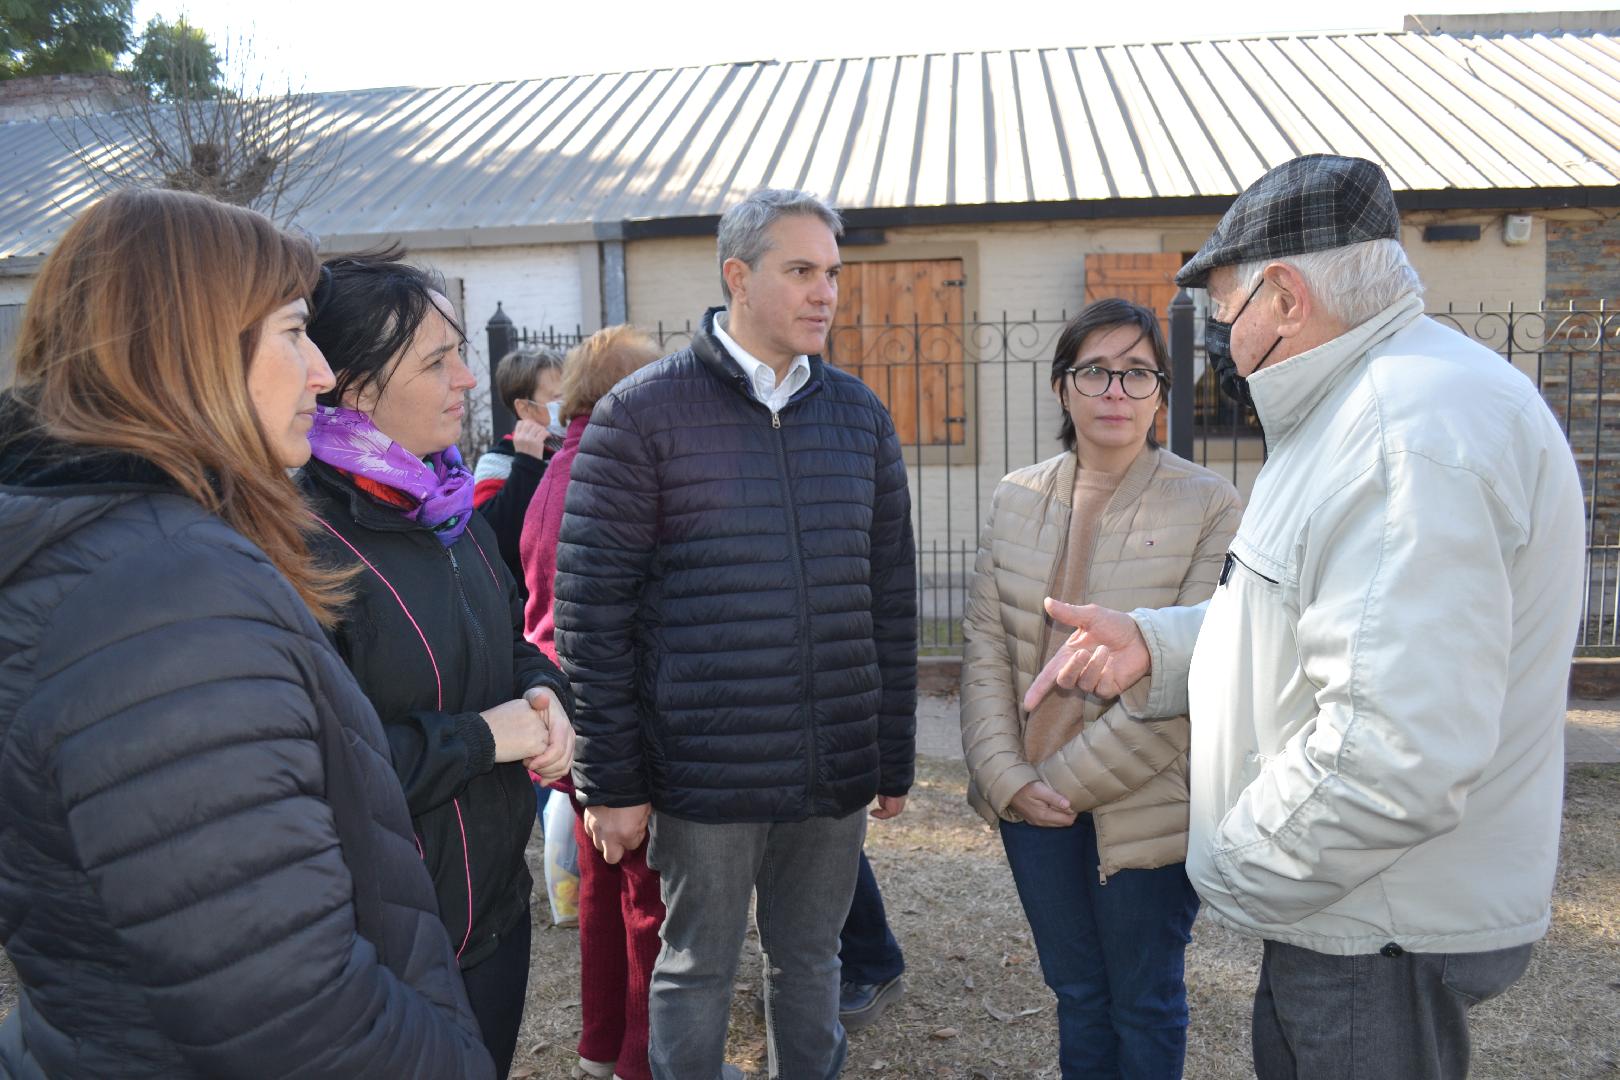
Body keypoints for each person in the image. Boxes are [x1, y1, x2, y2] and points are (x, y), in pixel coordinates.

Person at [1024, 155, 1586, 1080]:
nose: (1221, 345)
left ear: (1285, 297)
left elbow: (1396, 749)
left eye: (1225, 314)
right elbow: (1317, 620)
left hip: (1375, 924)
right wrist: (1159, 647)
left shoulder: (1403, 432)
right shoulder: (1367, 409)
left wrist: (1236, 861)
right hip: (1355, 907)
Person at [0, 189, 493, 1077]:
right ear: (191, 346)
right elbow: (292, 1011)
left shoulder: (123, 553)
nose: (319, 373)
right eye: (294, 333)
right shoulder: (158, 595)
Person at [554, 188, 918, 1080]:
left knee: (812, 963)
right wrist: (612, 781)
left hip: (829, 769)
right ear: (737, 276)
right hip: (703, 774)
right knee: (695, 971)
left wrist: (890, 754)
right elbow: (592, 613)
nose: (825, 292)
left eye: (832, 273)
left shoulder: (860, 417)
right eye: (801, 271)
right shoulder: (641, 416)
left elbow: (891, 600)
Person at [299, 249, 577, 1080]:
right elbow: (319, 774)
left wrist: (542, 689)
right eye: (436, 360)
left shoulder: (445, 504)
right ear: (353, 389)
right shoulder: (303, 546)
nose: (468, 379)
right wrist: (480, 741)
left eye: (460, 351)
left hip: (493, 917)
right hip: (385, 950)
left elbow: (509, 640)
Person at [960, 298, 1242, 1078]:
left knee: (1144, 1001)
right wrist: (1007, 777)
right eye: (1095, 371)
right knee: (1078, 994)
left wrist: (1057, 783)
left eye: (1136, 373)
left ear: (1162, 392)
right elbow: (985, 649)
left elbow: (1200, 670)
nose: (1115, 391)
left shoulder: (1210, 505)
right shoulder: (1017, 496)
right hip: (1029, 807)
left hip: (1148, 807)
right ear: (1062, 388)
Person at [520, 324, 664, 1080]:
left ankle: (602, 1044)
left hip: (571, 714)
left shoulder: (559, 465)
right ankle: (642, 1058)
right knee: (647, 899)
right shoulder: (612, 470)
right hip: (613, 715)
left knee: (605, 888)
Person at [476, 345, 566, 589]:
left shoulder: (577, 447)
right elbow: (492, 541)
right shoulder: (498, 461)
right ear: (525, 408)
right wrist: (527, 464)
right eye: (559, 398)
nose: (570, 404)